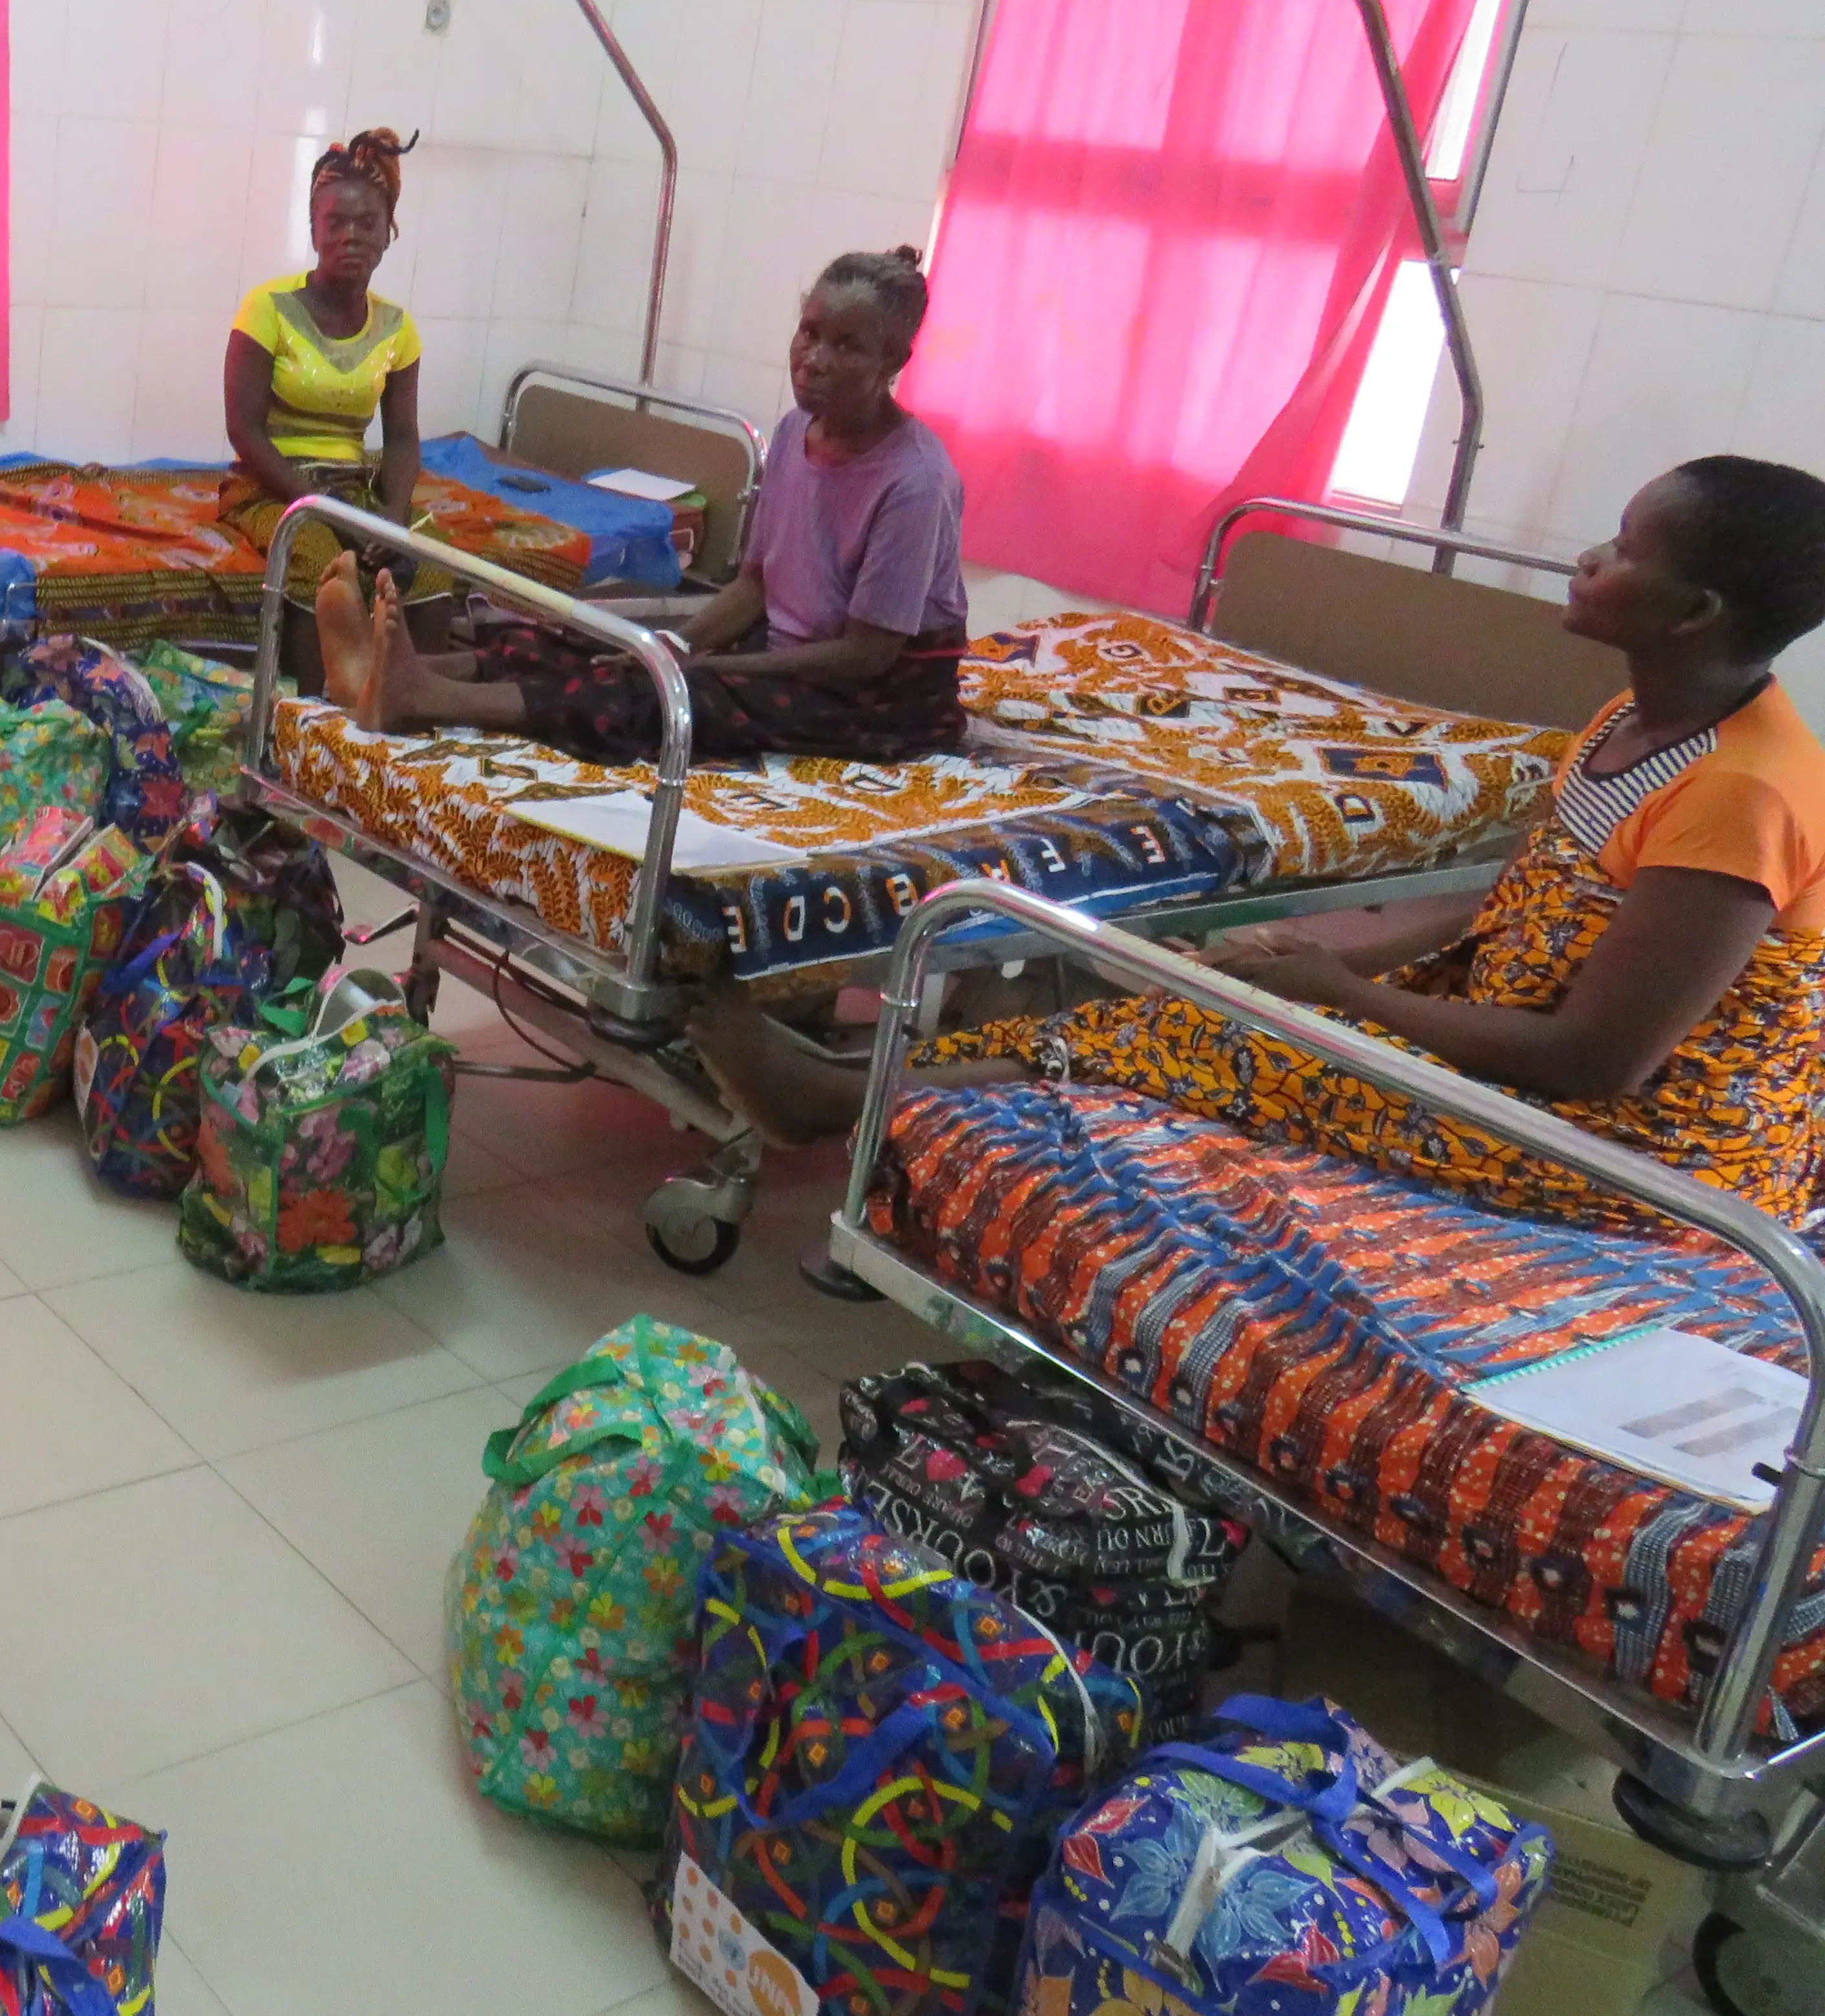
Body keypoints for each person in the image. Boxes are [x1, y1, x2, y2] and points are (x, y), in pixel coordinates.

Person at [697, 456, 1825, 1246]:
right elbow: (1514, 910)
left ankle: (832, 1095)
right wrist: (1337, 963)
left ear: (1694, 611)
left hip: (1637, 1146)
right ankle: (846, 1088)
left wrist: (1335, 989)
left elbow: (1594, 1061)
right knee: (1194, 1001)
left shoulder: (1740, 792)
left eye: (1623, 550)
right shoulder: (1632, 723)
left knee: (1226, 1038)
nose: (1585, 559)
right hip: (1540, 1062)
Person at [320, 245, 968, 767]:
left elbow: (867, 656)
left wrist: (718, 665)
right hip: (792, 658)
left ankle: (424, 697)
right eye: (809, 333)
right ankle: (383, 669)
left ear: (894, 360)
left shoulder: (913, 482)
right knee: (601, 646)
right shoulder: (797, 434)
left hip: (877, 701)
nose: (814, 360)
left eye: (847, 347)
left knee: (656, 695)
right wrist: (671, 642)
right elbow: (757, 583)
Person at [220, 128, 449, 600]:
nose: (352, 237)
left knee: (433, 565)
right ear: (314, 231)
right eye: (336, 223)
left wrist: (394, 514)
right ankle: (323, 679)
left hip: (352, 483)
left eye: (367, 223)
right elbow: (244, 429)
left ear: (388, 231)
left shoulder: (397, 329)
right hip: (274, 483)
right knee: (329, 568)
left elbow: (403, 437)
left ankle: (405, 676)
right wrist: (321, 506)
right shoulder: (269, 308)